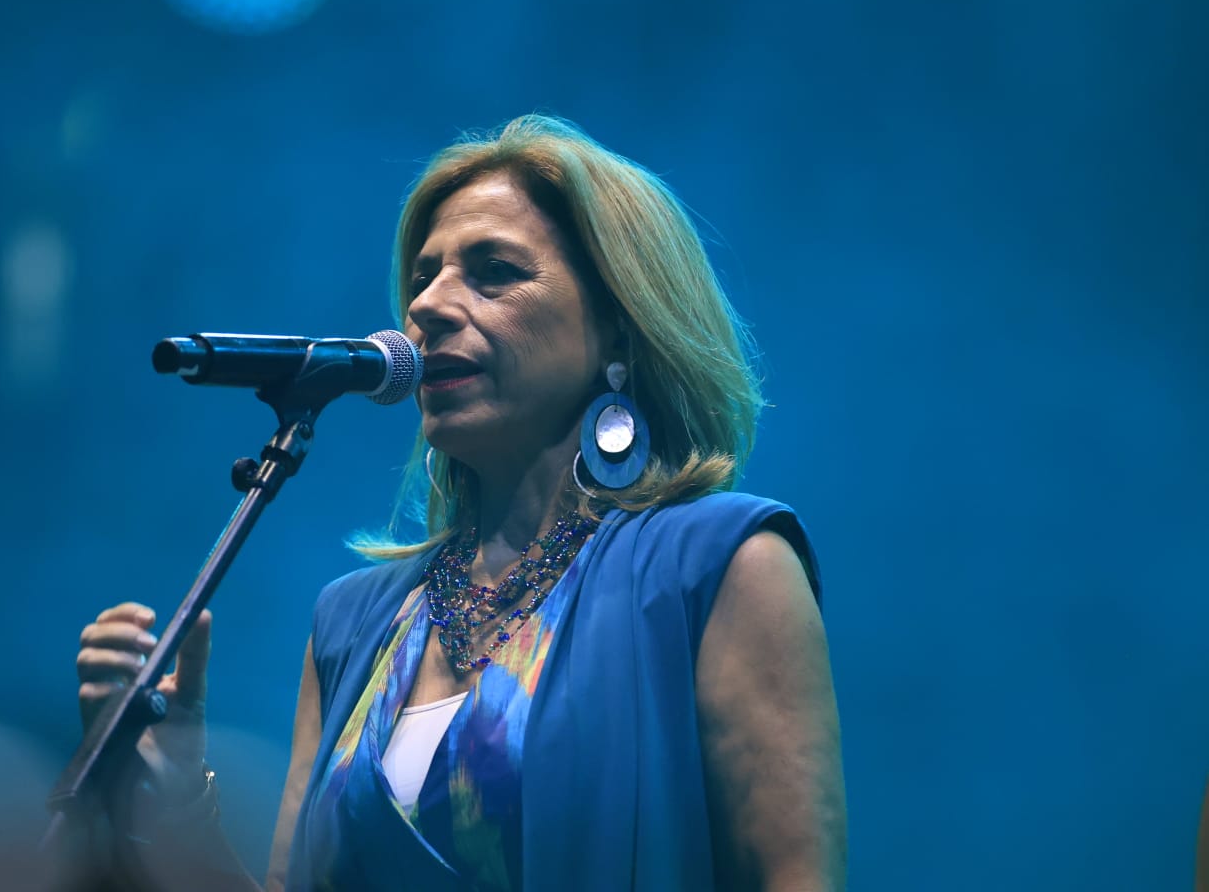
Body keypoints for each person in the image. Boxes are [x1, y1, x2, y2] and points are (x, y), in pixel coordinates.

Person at [75, 115, 847, 891]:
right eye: (422, 278)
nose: (428, 308)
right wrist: (174, 802)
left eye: (495, 271)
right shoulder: (354, 621)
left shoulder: (721, 568)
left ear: (620, 328)